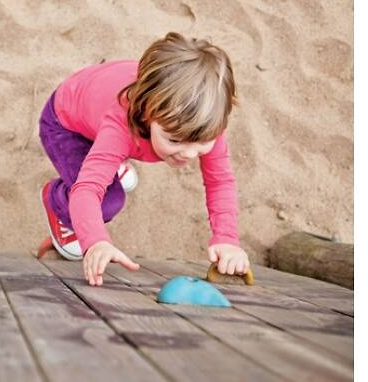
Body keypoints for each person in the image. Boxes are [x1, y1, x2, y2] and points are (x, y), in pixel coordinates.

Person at [38, 32, 249, 286]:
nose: (190, 154)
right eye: (174, 140)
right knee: (109, 200)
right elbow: (88, 190)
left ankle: (114, 164)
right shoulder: (120, 127)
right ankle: (55, 196)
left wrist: (227, 239)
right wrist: (96, 242)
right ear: (148, 115)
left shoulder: (205, 123)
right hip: (66, 123)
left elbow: (220, 182)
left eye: (202, 143)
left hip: (100, 107)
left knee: (109, 163)